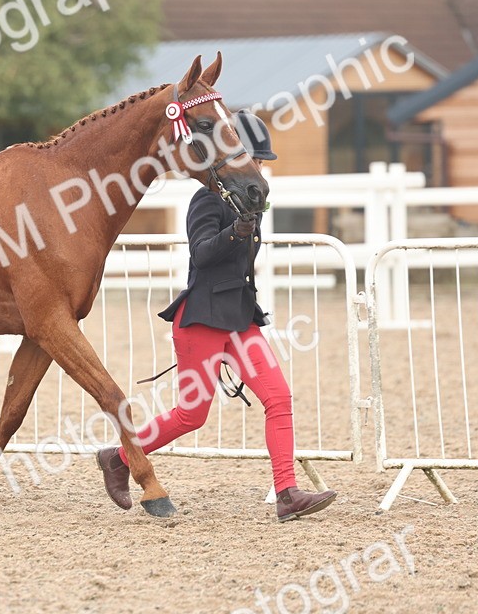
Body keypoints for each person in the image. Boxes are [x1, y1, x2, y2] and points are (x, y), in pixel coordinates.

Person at [97, 111, 337, 522]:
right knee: (192, 415)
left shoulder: (250, 202)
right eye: (254, 162)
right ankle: (118, 458)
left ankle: (286, 493)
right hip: (203, 317)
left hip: (240, 317)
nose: (258, 171)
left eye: (260, 163)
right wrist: (235, 233)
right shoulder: (207, 198)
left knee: (278, 398)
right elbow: (202, 254)